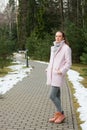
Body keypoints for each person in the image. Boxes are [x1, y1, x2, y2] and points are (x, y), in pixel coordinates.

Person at [46, 31, 72, 124]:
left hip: (58, 74)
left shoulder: (66, 48)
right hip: (52, 73)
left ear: (63, 37)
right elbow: (52, 60)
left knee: (52, 96)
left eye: (59, 36)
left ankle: (61, 114)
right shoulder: (53, 48)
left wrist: (61, 71)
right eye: (56, 36)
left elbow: (68, 63)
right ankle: (57, 114)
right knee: (57, 96)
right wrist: (48, 68)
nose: (57, 38)